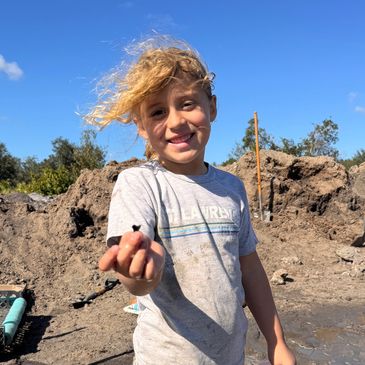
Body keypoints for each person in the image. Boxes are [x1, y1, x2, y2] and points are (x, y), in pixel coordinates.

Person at [86, 36, 296, 365]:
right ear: (141, 126)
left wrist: (276, 340)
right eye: (157, 111)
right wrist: (140, 271)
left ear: (211, 106)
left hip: (230, 357)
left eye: (187, 103)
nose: (175, 122)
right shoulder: (140, 184)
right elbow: (135, 279)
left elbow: (250, 268)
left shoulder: (231, 188)